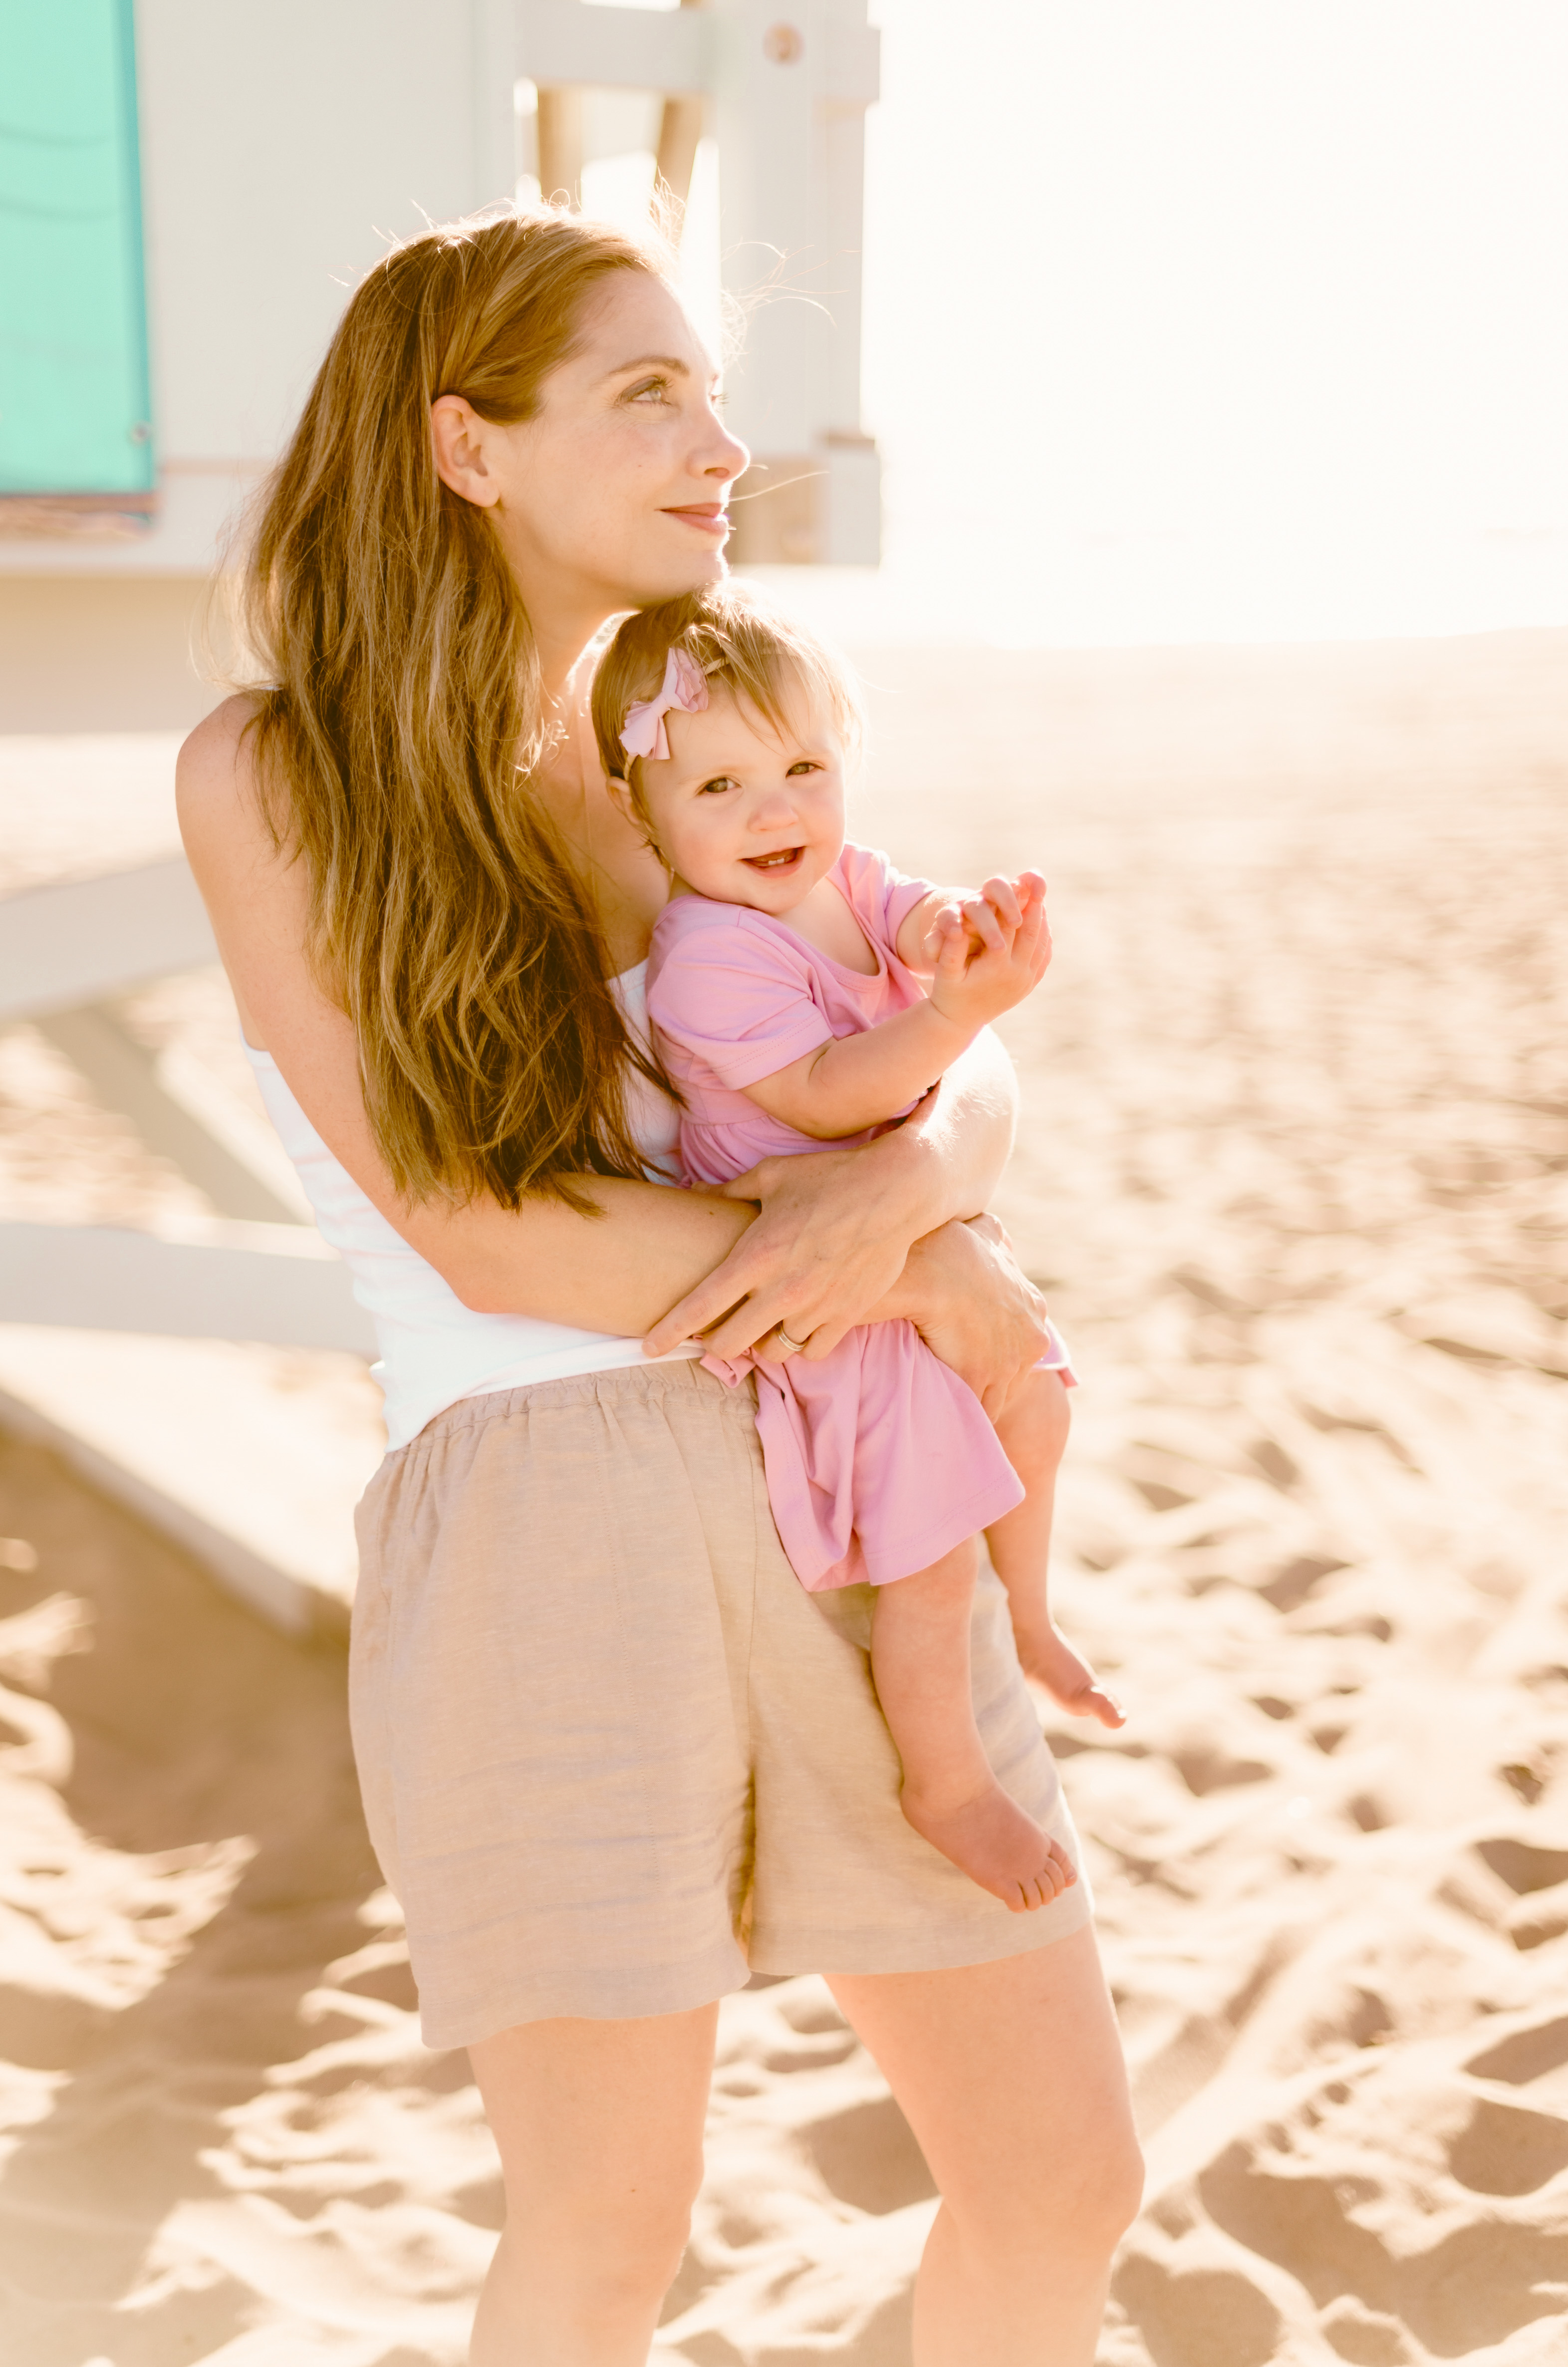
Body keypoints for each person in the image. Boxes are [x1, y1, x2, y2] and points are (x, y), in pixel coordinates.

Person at [177, 206, 1141, 2367]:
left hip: (855, 1456)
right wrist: (879, 1246)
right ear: (464, 447)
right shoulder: (280, 767)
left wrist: (913, 1215)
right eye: (648, 395)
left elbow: (941, 1058)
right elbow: (470, 1222)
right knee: (608, 2242)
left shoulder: (703, 729)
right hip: (544, 1515)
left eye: (712, 390)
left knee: (1061, 2180)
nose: (723, 443)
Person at [591, 586, 1127, 1916]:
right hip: (828, 1289)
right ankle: (943, 1785)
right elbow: (831, 1095)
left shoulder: (837, 874)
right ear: (641, 809)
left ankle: (1040, 1612)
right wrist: (954, 1016)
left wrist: (957, 934)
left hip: (901, 1232)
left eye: (803, 770)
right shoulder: (703, 955)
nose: (775, 813)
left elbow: (903, 913)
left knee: (1039, 1406)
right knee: (925, 1568)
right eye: (720, 784)